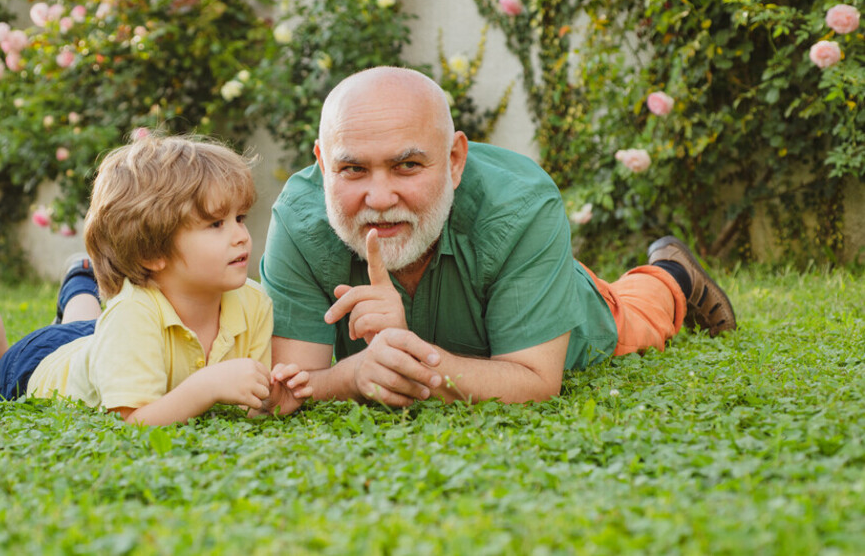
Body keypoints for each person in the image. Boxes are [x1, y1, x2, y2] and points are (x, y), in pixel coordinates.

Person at [259, 66, 736, 408]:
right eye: (353, 169)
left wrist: (406, 356)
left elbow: (534, 380)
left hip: (572, 319)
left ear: (454, 161)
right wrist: (355, 375)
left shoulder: (520, 206)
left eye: (407, 165)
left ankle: (672, 272)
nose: (380, 198)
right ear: (322, 164)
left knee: (640, 310)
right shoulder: (299, 221)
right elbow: (296, 385)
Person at [0, 134, 312, 424]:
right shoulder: (132, 316)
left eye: (240, 218)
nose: (241, 235)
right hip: (42, 364)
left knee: (96, 325)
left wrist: (271, 399)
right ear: (151, 253)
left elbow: (243, 404)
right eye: (216, 224)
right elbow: (134, 421)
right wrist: (206, 386)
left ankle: (81, 280)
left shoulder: (253, 303)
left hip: (101, 340)